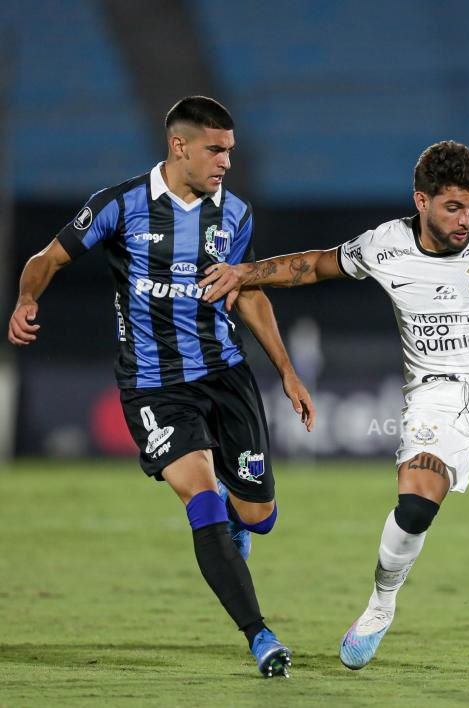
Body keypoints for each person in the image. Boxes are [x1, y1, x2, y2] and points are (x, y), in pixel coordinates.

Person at [198, 140, 469, 681]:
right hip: (435, 396)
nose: (466, 219)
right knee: (415, 508)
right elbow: (314, 266)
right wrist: (245, 274)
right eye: (453, 207)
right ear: (422, 201)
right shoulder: (384, 246)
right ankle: (381, 606)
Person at [7, 96, 315, 677]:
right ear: (180, 146)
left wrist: (288, 371)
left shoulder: (235, 214)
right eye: (215, 150)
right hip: (153, 386)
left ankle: (235, 517)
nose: (226, 161)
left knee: (259, 515)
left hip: (226, 376)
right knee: (199, 500)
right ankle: (260, 636)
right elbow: (47, 259)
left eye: (231, 151)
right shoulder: (119, 205)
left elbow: (247, 291)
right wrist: (27, 298)